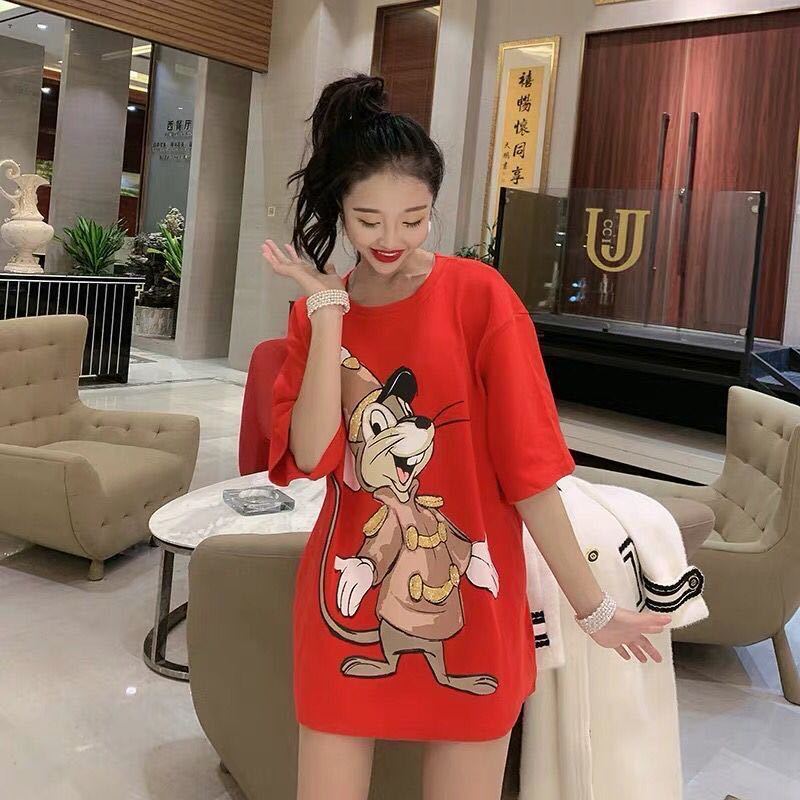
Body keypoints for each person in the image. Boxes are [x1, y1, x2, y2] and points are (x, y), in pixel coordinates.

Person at [260, 73, 671, 800]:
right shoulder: (320, 312)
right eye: (369, 221)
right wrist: (326, 318)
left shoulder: (481, 299)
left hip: (473, 605)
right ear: (341, 211)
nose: (391, 240)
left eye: (414, 219)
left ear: (434, 209)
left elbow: (530, 472)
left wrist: (593, 605)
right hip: (348, 592)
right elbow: (314, 454)